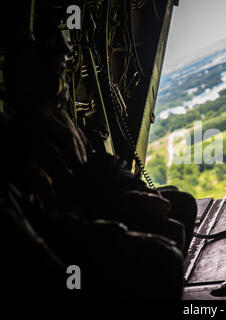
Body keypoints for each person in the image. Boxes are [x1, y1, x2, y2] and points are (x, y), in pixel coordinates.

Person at [0, 25, 196, 298]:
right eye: (58, 73)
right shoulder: (23, 137)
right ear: (38, 79)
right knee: (164, 253)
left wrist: (140, 191)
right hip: (76, 236)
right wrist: (126, 217)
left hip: (97, 211)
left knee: (182, 203)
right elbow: (64, 208)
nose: (65, 82)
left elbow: (100, 168)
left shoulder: (60, 121)